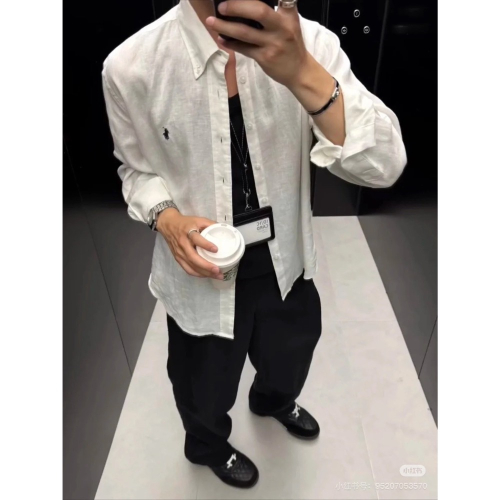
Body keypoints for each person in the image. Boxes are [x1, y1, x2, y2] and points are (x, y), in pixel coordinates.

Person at [102, 0, 406, 489]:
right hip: (202, 273)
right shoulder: (131, 65)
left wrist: (303, 73)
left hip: (287, 260)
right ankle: (208, 446)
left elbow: (384, 165)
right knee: (202, 384)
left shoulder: (310, 43)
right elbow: (135, 171)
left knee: (291, 355)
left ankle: (273, 400)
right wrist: (168, 219)